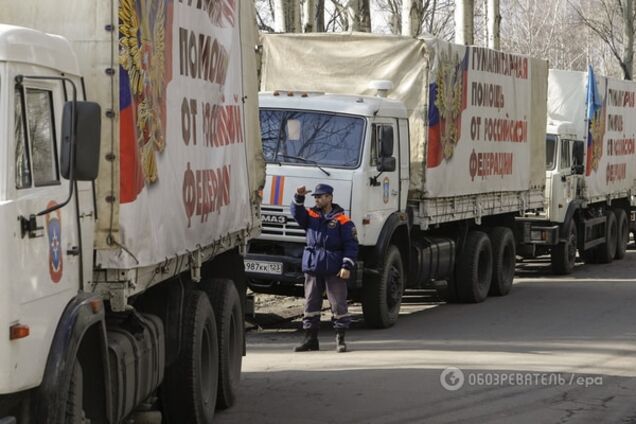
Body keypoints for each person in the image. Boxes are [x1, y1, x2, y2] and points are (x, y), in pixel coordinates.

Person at [290, 183, 359, 353]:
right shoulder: (311, 215)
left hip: (333, 267)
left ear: (329, 197)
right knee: (310, 303)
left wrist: (346, 265)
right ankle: (310, 339)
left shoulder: (342, 220)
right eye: (315, 197)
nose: (317, 199)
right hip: (313, 265)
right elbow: (297, 214)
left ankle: (340, 340)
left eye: (320, 197)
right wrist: (299, 198)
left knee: (338, 304)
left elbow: (351, 245)